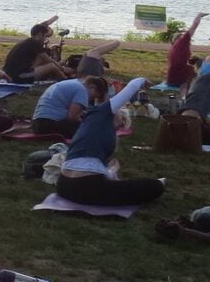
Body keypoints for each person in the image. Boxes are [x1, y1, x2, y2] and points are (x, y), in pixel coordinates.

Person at [55, 76, 164, 208]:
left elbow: (89, 165)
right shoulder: (101, 113)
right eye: (122, 120)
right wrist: (142, 80)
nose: (120, 125)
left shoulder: (90, 125)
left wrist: (111, 171)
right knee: (154, 186)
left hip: (63, 185)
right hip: (85, 186)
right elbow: (130, 88)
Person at [2, 20, 68, 83]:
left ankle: (58, 76)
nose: (45, 39)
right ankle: (65, 79)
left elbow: (41, 60)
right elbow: (49, 60)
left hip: (9, 73)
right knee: (51, 66)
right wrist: (62, 69)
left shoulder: (28, 42)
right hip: (19, 76)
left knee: (43, 61)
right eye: (44, 36)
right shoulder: (35, 43)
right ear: (39, 34)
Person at [31, 74, 96, 139]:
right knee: (87, 128)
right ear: (92, 87)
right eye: (94, 97)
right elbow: (73, 117)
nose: (91, 100)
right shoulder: (82, 90)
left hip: (36, 124)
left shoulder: (71, 83)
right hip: (48, 123)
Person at [166, 13, 208, 87]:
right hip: (179, 79)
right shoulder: (181, 43)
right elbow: (194, 26)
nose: (189, 41)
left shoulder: (173, 49)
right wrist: (199, 16)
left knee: (198, 64)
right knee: (204, 71)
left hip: (172, 78)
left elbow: (180, 61)